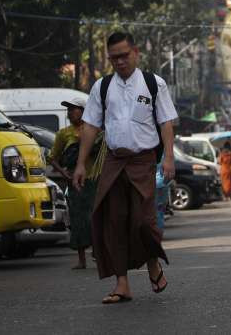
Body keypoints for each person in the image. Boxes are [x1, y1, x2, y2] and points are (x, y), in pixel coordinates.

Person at [73, 31, 176, 304]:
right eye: (114, 58)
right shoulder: (102, 86)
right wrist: (81, 164)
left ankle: (152, 263)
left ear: (136, 53)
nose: (119, 61)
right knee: (114, 222)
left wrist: (168, 157)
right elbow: (91, 126)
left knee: (143, 221)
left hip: (143, 161)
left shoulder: (154, 83)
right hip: (114, 161)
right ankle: (122, 284)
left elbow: (166, 122)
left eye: (124, 55)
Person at [48, 96, 106, 270]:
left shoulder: (96, 130)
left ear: (84, 111)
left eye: (73, 109)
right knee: (78, 219)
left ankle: (98, 254)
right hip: (75, 183)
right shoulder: (63, 134)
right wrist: (64, 172)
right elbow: (52, 157)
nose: (70, 112)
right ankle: (82, 259)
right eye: (68, 109)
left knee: (96, 218)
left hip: (95, 180)